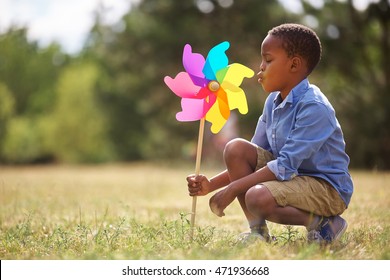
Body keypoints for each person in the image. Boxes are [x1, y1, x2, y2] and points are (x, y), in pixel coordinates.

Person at [186, 23, 353, 243]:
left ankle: (324, 224)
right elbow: (251, 162)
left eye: (268, 60)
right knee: (236, 149)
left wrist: (232, 189)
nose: (260, 67)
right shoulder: (273, 102)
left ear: (294, 65)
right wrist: (211, 186)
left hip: (325, 188)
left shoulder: (314, 107)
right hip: (293, 178)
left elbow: (284, 165)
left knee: (256, 196)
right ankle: (259, 234)